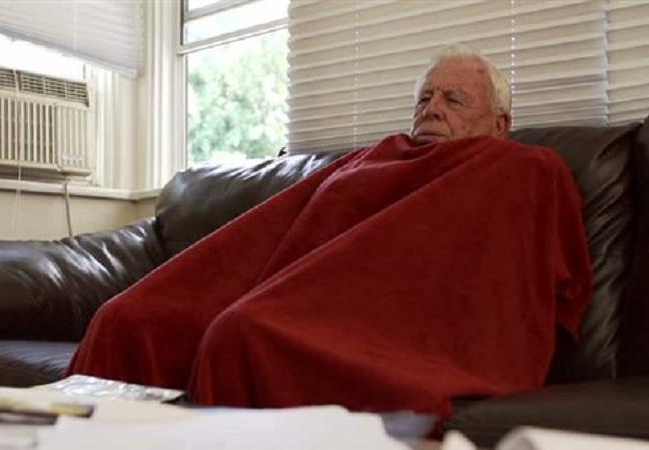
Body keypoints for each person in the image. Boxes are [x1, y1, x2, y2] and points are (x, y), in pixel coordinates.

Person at [67, 45, 592, 421]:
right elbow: (276, 228)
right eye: (425, 98)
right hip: (279, 283)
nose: (431, 108)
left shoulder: (522, 169)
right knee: (126, 319)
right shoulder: (378, 157)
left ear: (500, 123)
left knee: (243, 333)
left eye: (453, 100)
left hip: (366, 319)